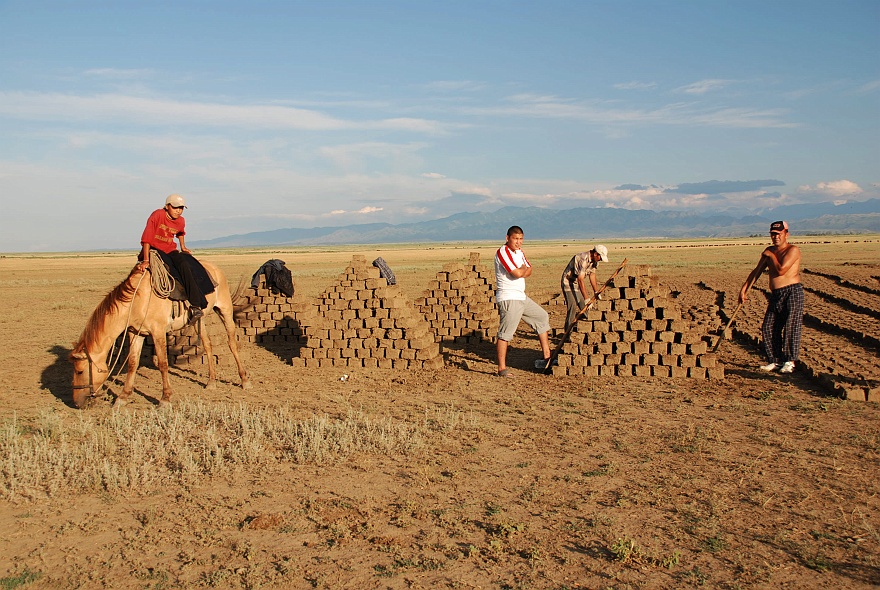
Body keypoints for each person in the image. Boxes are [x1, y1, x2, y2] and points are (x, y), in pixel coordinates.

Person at [738, 220, 803, 374]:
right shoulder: (769, 251)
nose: (775, 237)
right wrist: (744, 289)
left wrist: (771, 256)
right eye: (773, 234)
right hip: (776, 294)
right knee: (769, 326)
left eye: (778, 234)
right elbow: (757, 271)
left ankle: (789, 361)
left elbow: (781, 270)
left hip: (792, 291)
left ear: (786, 234)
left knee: (791, 326)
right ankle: (774, 360)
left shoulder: (792, 250)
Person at [138, 194, 208, 323]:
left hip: (170, 249)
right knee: (170, 270)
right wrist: (146, 260)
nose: (178, 210)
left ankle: (196, 304)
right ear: (167, 206)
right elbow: (147, 238)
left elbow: (180, 232)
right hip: (154, 249)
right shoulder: (157, 215)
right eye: (175, 207)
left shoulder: (181, 220)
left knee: (184, 265)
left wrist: (183, 246)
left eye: (181, 208)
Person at [494, 225, 551, 377]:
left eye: (521, 239)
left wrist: (523, 270)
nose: (518, 242)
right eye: (515, 239)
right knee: (505, 333)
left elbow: (529, 270)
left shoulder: (519, 252)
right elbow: (518, 273)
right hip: (509, 297)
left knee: (541, 317)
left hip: (521, 296)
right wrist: (522, 270)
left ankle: (547, 357)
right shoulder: (502, 252)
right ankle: (502, 369)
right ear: (507, 238)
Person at [561, 245, 609, 332]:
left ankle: (592, 330)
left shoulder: (595, 261)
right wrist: (587, 298)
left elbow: (592, 275)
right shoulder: (582, 259)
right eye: (600, 258)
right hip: (568, 282)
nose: (600, 260)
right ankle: (568, 333)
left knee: (584, 306)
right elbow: (580, 280)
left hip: (577, 284)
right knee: (572, 306)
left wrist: (596, 291)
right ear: (595, 254)